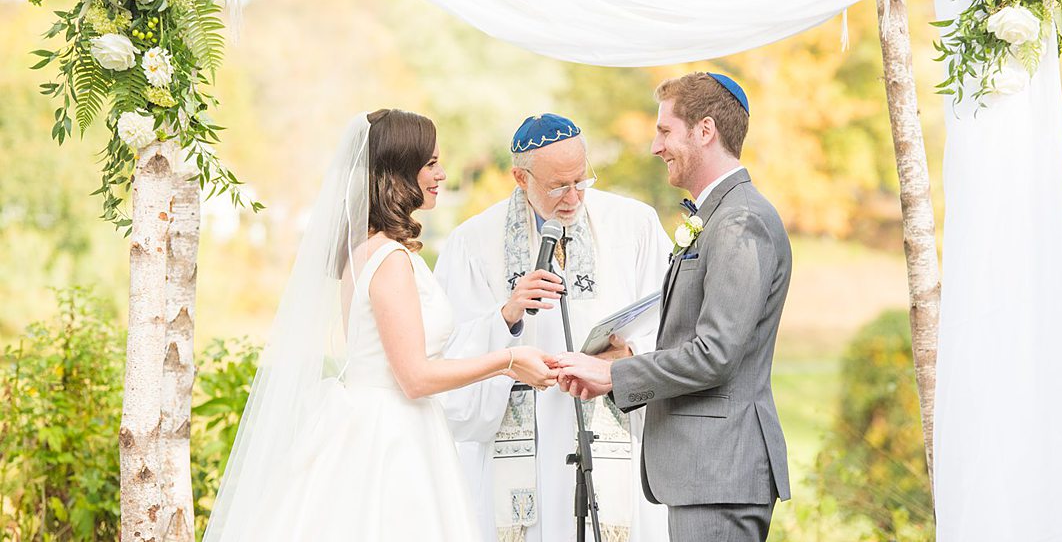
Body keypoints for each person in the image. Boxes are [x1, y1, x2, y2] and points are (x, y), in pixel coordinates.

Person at [202, 110, 558, 542]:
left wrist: (504, 323)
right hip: (392, 437)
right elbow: (414, 377)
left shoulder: (367, 249)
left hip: (382, 422)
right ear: (397, 171)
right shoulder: (389, 260)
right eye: (430, 164)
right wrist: (509, 360)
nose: (442, 174)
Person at [555, 73, 793, 542]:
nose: (654, 146)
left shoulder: (740, 220)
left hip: (720, 473)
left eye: (665, 131)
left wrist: (615, 377)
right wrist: (618, 363)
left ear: (705, 131)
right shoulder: (717, 217)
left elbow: (716, 354)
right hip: (706, 475)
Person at [436, 113, 671, 542]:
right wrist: (505, 316)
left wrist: (628, 356)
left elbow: (673, 321)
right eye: (558, 186)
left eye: (582, 180)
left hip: (610, 432)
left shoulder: (634, 226)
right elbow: (446, 357)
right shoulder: (473, 242)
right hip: (527, 447)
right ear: (520, 178)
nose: (574, 196)